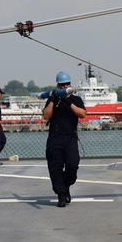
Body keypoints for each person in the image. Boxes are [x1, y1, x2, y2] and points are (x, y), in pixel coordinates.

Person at [42, 71, 87, 207]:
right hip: (55, 137)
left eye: (66, 84)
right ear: (58, 86)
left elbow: (82, 114)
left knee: (73, 164)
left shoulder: (76, 100)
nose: (64, 86)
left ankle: (66, 185)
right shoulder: (52, 100)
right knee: (55, 167)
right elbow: (46, 116)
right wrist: (54, 100)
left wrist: (68, 102)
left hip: (70, 137)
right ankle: (61, 195)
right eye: (62, 85)